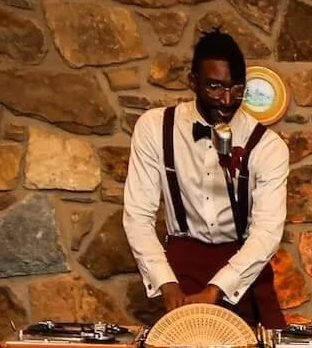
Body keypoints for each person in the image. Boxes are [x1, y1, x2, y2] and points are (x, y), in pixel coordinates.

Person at [123, 29, 288, 323]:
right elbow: (138, 216)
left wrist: (217, 289)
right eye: (214, 87)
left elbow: (266, 232)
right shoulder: (154, 128)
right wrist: (166, 282)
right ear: (193, 82)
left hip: (243, 269)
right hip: (181, 268)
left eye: (236, 90)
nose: (226, 101)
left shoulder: (268, 147)